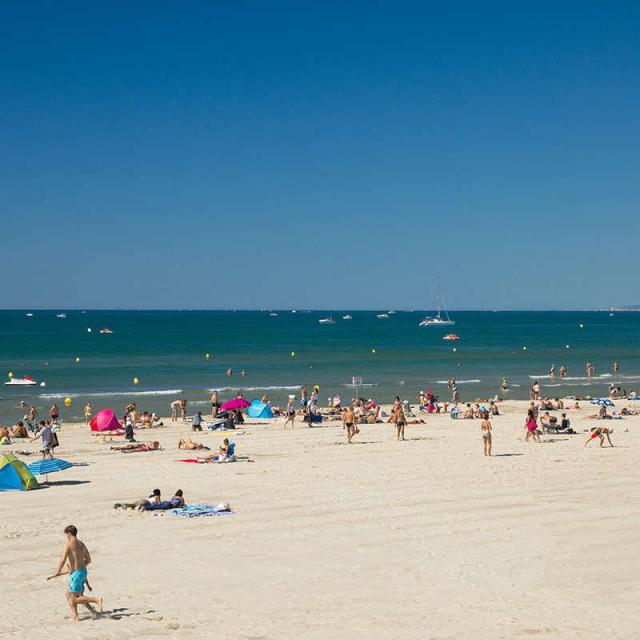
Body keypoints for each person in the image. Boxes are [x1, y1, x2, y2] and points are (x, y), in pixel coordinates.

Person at [47, 525, 102, 621]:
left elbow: (62, 560)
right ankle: (81, 614)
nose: (66, 537)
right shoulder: (81, 544)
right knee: (70, 594)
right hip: (82, 572)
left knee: (74, 599)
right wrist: (78, 567)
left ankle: (96, 599)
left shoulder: (69, 543)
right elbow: (88, 560)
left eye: (66, 534)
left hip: (77, 574)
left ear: (69, 533)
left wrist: (58, 571)